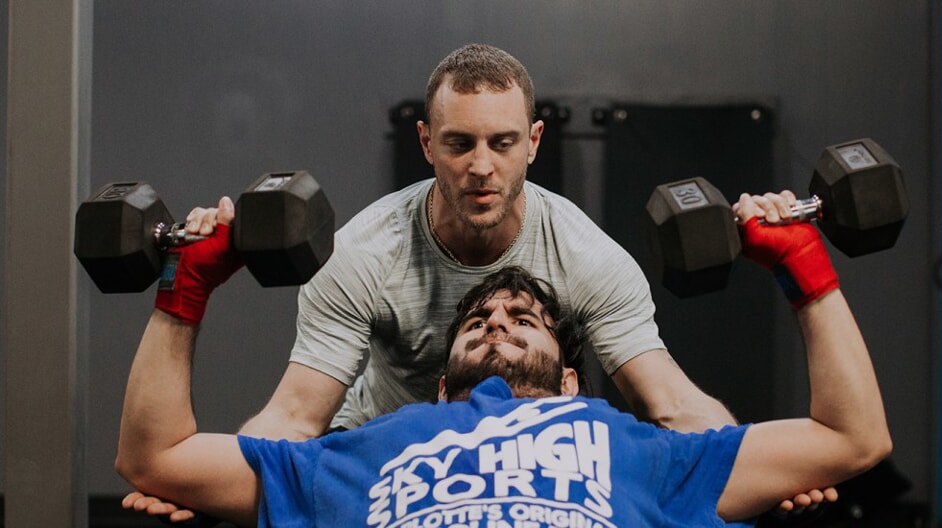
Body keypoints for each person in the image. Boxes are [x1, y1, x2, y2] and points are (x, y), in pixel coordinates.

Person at [123, 43, 833, 521]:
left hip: (532, 460)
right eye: (459, 144)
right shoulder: (363, 254)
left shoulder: (588, 258)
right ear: (428, 142)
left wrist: (752, 473)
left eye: (500, 143)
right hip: (383, 451)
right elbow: (294, 420)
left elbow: (673, 404)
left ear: (532, 143)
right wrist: (218, 488)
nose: (481, 167)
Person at [115, 191, 891, 527]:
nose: (497, 322)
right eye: (479, 318)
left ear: (570, 382)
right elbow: (155, 457)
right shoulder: (366, 450)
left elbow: (852, 440)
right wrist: (183, 287)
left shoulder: (643, 453)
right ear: (444, 385)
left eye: (524, 317)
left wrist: (806, 271)